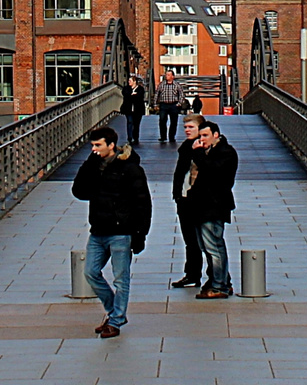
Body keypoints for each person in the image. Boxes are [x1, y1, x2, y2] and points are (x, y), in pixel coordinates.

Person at [71, 126, 150, 338]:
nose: (94, 150)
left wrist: (140, 234)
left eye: (98, 145)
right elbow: (79, 191)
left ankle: (115, 321)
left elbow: (143, 203)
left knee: (121, 278)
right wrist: (89, 165)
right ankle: (115, 311)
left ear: (111, 145)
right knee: (90, 272)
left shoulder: (130, 169)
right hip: (98, 230)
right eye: (92, 146)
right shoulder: (95, 166)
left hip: (121, 231)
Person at [183, 117, 239, 298]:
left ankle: (220, 286)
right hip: (201, 206)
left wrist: (198, 154)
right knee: (207, 247)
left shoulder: (225, 152)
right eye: (200, 136)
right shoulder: (209, 151)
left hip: (214, 206)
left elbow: (212, 172)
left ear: (216, 135)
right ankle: (217, 282)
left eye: (205, 135)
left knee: (214, 247)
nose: (202, 140)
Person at [167, 114, 208, 290]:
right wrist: (177, 195)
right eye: (185, 127)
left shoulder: (206, 147)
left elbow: (208, 169)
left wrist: (198, 150)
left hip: (199, 200)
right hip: (184, 199)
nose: (187, 130)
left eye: (191, 127)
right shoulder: (186, 147)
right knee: (190, 240)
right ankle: (192, 275)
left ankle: (221, 279)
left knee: (208, 242)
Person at [155, 72, 185, 144]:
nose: (166, 76)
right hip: (163, 104)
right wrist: (155, 104)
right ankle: (163, 136)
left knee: (174, 122)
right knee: (162, 120)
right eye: (166, 74)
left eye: (168, 75)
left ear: (172, 76)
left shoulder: (176, 85)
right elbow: (157, 94)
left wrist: (179, 103)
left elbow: (181, 94)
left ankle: (172, 137)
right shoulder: (162, 84)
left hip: (173, 105)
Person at [120, 75, 148, 146]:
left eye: (130, 81)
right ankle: (130, 137)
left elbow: (139, 97)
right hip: (128, 109)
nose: (128, 82)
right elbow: (125, 95)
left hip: (138, 109)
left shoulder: (140, 89)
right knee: (129, 122)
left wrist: (131, 95)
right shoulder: (126, 88)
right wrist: (132, 95)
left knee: (136, 123)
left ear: (134, 82)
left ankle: (136, 137)